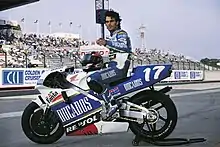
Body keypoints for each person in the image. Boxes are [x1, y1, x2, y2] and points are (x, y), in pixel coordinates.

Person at [86, 10, 132, 119]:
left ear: (117, 22)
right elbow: (115, 55)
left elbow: (124, 46)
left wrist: (107, 43)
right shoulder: (113, 36)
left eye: (112, 21)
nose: (109, 24)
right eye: (107, 22)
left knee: (92, 79)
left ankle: (112, 103)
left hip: (119, 69)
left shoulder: (121, 34)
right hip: (114, 67)